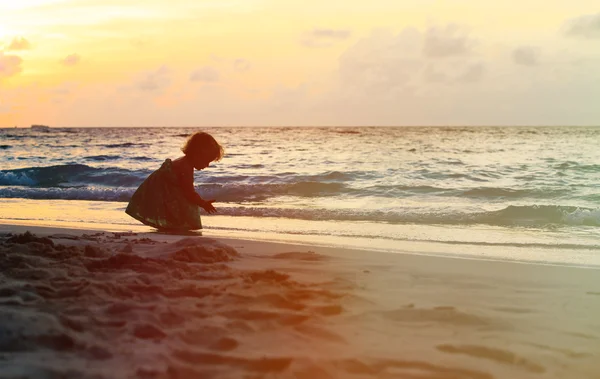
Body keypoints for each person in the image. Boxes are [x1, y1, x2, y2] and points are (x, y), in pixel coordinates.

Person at [125, 131, 224, 231]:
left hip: (164, 191)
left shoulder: (185, 162)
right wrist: (203, 203)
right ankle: (175, 226)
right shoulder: (185, 167)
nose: (207, 165)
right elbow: (189, 193)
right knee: (189, 203)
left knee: (185, 202)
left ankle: (173, 225)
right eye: (206, 161)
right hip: (162, 193)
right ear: (197, 154)